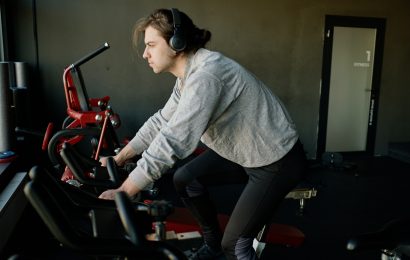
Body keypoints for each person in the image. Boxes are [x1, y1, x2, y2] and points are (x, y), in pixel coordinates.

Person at [99, 8, 308, 260]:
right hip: (244, 151)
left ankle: (225, 246)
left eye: (151, 45)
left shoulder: (207, 75)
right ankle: (213, 245)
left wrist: (125, 191)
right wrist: (120, 158)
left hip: (276, 161)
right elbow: (160, 122)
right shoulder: (188, 76)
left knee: (237, 245)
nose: (145, 54)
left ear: (176, 43)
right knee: (186, 179)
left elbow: (173, 140)